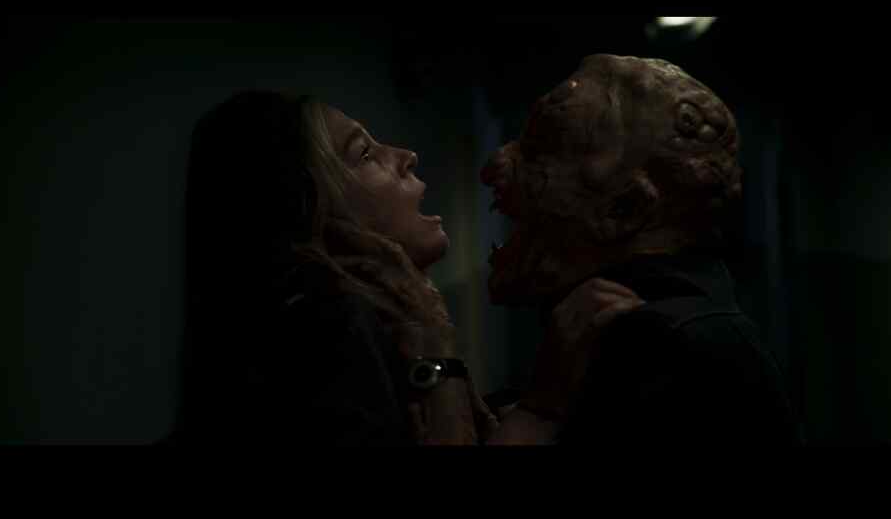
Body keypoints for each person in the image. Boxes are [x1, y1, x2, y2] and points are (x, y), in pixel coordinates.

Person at [171, 90, 636, 445]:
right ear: (307, 208)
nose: (406, 156)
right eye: (364, 153)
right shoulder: (322, 328)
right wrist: (541, 408)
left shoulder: (372, 323)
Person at [481, 55, 803, 444]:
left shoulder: (666, 349)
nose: (492, 166)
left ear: (626, 209)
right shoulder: (622, 330)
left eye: (543, 146)